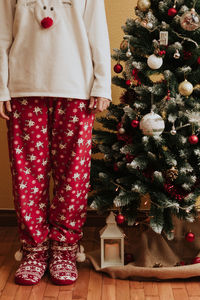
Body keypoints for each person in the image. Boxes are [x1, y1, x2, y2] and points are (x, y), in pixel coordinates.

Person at [0, 0, 112, 285]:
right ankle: (34, 250)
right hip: (23, 88)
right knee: (27, 175)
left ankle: (64, 249)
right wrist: (1, 88)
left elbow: (97, 31)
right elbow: (1, 34)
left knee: (72, 175)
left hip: (76, 89)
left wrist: (102, 84)